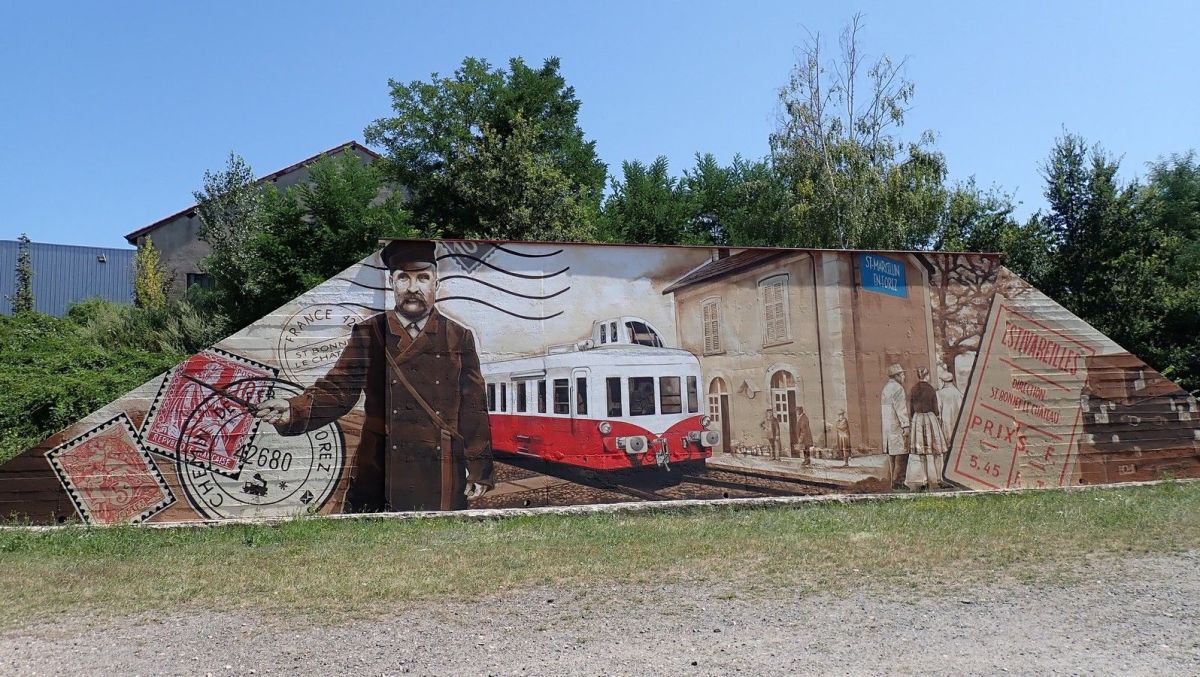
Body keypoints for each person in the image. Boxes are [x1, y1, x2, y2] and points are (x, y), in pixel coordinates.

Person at [255, 240, 493, 512]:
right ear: (392, 283)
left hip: (439, 468)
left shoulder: (458, 336)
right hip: (381, 464)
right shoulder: (370, 333)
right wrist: (292, 409)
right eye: (404, 278)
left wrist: (479, 469)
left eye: (422, 278)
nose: (413, 288)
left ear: (436, 284)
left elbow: (474, 406)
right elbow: (339, 389)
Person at [906, 366, 947, 491]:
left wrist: (914, 417)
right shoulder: (930, 389)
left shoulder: (913, 389)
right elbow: (936, 408)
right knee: (935, 450)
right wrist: (936, 414)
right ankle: (938, 478)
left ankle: (923, 479)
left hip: (918, 419)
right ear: (927, 376)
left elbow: (911, 408)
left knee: (922, 452)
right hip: (930, 418)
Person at [880, 363, 910, 489]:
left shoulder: (886, 388)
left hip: (887, 429)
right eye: (902, 374)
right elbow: (901, 409)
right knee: (902, 455)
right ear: (897, 376)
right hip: (896, 426)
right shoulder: (898, 389)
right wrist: (906, 426)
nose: (904, 376)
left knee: (892, 456)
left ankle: (893, 482)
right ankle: (899, 483)